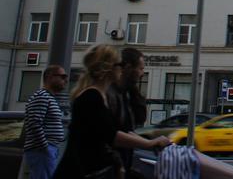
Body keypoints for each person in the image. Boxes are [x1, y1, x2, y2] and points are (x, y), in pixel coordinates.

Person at [54, 45, 169, 179]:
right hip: (81, 170)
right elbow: (112, 135)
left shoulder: (100, 95)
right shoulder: (92, 97)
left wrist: (150, 142)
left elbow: (118, 130)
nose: (122, 68)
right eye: (119, 64)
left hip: (89, 169)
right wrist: (149, 144)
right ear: (108, 68)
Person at [109, 48, 148, 178]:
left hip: (121, 163)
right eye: (140, 69)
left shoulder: (126, 93)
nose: (142, 73)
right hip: (110, 166)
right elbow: (111, 135)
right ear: (128, 68)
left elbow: (139, 119)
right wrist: (149, 144)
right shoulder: (109, 94)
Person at [24, 64, 68, 179]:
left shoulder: (49, 97)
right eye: (62, 76)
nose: (66, 80)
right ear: (50, 77)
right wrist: (45, 147)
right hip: (42, 151)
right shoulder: (42, 96)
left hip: (47, 149)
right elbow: (34, 123)